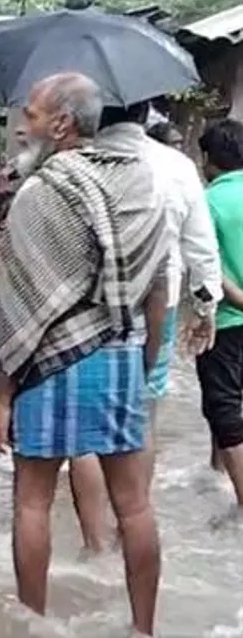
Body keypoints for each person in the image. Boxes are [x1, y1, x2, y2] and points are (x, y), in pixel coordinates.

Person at [0, 73, 169, 638]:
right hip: (117, 355)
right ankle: (143, 629)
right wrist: (141, 362)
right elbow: (157, 291)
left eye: (32, 115)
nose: (21, 125)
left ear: (61, 124)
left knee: (32, 502)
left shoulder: (41, 194)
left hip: (47, 364)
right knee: (133, 505)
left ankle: (32, 625)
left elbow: (20, 305)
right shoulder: (142, 185)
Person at [65, 101, 225, 554]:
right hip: (160, 305)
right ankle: (130, 520)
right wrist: (207, 305)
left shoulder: (74, 164)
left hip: (84, 309)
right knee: (142, 416)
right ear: (144, 116)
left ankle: (94, 543)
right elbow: (200, 245)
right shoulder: (176, 166)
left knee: (83, 425)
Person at [196, 118, 243, 518]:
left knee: (223, 404)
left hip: (228, 319)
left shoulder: (208, 201)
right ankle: (215, 471)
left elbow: (206, 266)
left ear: (210, 160)